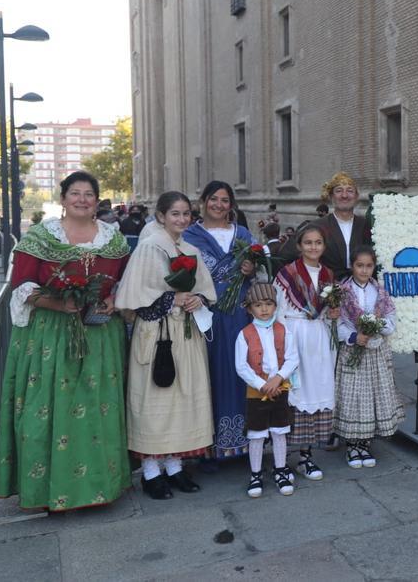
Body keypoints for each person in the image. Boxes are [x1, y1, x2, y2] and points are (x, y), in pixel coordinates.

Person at [0, 171, 131, 511]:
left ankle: (99, 486)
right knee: (51, 407)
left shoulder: (114, 240)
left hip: (99, 334)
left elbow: (126, 279)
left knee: (97, 409)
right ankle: (47, 489)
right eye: (75, 193)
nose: (82, 199)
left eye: (89, 194)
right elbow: (22, 285)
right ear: (63, 199)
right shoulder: (41, 238)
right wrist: (57, 303)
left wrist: (114, 299)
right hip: (51, 336)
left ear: (97, 200)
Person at [115, 190, 217, 500]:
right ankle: (150, 472)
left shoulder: (189, 249)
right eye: (175, 213)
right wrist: (171, 298)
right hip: (157, 335)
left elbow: (207, 291)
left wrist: (197, 298)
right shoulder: (149, 248)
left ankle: (174, 466)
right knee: (155, 400)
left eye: (186, 213)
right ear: (161, 216)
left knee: (182, 400)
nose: (182, 219)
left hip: (185, 334)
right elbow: (133, 302)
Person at [183, 181, 258, 461]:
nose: (218, 205)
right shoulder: (190, 236)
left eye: (225, 200)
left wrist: (251, 269)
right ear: (203, 201)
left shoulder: (243, 234)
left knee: (244, 371)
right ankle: (209, 448)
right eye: (213, 199)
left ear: (232, 205)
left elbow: (256, 275)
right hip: (206, 318)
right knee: (210, 374)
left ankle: (246, 445)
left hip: (241, 315)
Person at [274, 224, 340, 480]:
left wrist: (334, 314)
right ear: (299, 245)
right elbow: (277, 309)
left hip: (319, 337)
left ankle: (306, 455)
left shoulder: (328, 275)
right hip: (294, 334)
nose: (313, 247)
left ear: (324, 247)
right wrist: (280, 342)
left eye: (318, 243)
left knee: (316, 391)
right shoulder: (286, 274)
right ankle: (282, 458)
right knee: (295, 392)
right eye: (308, 242)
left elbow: (330, 311)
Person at [334, 246, 404, 467]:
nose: (364, 270)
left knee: (374, 394)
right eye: (359, 265)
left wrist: (376, 326)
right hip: (353, 350)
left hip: (375, 350)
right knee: (354, 395)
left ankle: (365, 444)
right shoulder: (342, 292)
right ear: (352, 266)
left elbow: (391, 320)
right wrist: (355, 336)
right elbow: (336, 324)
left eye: (369, 266)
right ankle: (353, 445)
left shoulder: (380, 291)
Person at [234, 282, 299, 498]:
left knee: (280, 431)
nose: (264, 309)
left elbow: (292, 358)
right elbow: (241, 366)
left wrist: (278, 379)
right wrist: (262, 385)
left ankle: (280, 469)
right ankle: (255, 474)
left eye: (269, 304)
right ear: (249, 308)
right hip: (256, 392)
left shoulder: (283, 330)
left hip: (280, 389)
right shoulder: (244, 334)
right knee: (257, 434)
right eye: (258, 305)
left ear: (275, 306)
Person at [282, 172, 371, 281]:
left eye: (350, 191)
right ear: (331, 196)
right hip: (326, 289)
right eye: (339, 191)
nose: (344, 195)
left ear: (356, 196)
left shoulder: (367, 226)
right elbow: (286, 256)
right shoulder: (317, 226)